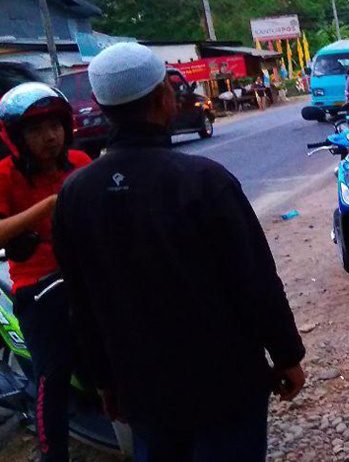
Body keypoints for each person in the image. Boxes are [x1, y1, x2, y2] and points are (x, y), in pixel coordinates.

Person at [53, 42, 306, 461]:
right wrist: (286, 355)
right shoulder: (204, 181)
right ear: (163, 98)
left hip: (140, 387)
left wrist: (104, 381)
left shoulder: (76, 195)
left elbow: (81, 303)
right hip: (225, 383)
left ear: (100, 103)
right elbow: (255, 280)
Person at [0, 83, 90, 462]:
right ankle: (54, 455)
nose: (49, 137)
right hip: (38, 285)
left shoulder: (82, 162)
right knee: (51, 374)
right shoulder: (5, 174)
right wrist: (50, 205)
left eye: (54, 125)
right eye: (36, 130)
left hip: (88, 276)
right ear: (17, 138)